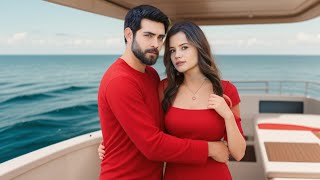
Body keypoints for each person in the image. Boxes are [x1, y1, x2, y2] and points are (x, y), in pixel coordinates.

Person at [98, 5, 230, 180]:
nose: (156, 44)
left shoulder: (150, 74)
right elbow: (152, 145)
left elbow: (157, 123)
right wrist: (211, 148)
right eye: (148, 35)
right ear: (129, 35)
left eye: (160, 38)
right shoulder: (119, 81)